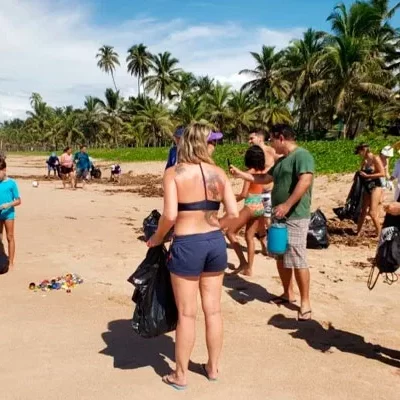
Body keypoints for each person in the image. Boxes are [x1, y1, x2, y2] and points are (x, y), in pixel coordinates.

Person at [147, 123, 238, 390]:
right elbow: (233, 214)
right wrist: (214, 227)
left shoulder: (174, 173)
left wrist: (158, 238)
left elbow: (170, 216)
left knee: (187, 314)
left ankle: (181, 375)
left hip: (187, 243)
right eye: (213, 142)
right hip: (215, 242)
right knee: (214, 309)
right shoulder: (219, 173)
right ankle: (212, 367)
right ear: (203, 143)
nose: (215, 146)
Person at [230, 124, 314, 321]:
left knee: (297, 258)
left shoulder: (302, 156)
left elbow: (305, 181)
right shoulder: (281, 161)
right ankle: (287, 293)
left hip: (295, 216)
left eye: (271, 140)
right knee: (280, 255)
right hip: (279, 215)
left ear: (281, 138)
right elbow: (264, 178)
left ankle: (305, 302)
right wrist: (240, 174)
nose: (270, 144)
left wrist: (287, 204)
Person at [223, 146, 266, 276]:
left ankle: (243, 263)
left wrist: (229, 202)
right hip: (261, 207)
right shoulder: (263, 172)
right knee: (249, 236)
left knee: (230, 232)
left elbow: (243, 194)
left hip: (251, 207)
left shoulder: (250, 172)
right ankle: (249, 269)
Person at [248, 130, 276, 254]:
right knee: (259, 221)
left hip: (268, 191)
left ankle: (274, 246)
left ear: (260, 139)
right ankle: (264, 245)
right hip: (256, 192)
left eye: (251, 139)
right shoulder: (253, 153)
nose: (249, 141)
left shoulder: (271, 151)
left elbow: (276, 166)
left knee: (268, 219)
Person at [354, 144, 385, 237]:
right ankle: (358, 232)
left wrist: (368, 176)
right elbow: (362, 171)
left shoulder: (375, 158)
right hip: (367, 186)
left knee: (372, 212)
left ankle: (379, 234)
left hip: (376, 186)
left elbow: (382, 173)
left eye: (360, 152)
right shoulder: (365, 160)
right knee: (363, 211)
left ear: (363, 150)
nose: (359, 155)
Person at [0, 158, 21, 268]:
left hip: (8, 214)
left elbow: (18, 200)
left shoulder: (11, 183)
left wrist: (7, 205)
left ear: (4, 170)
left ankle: (11, 261)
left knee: (10, 237)